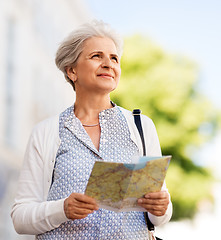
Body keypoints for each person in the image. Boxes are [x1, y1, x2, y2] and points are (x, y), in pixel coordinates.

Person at [11, 20, 172, 239]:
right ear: (72, 71)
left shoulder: (141, 126)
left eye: (114, 58)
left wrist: (162, 206)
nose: (108, 64)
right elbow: (21, 217)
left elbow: (159, 215)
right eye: (97, 56)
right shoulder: (46, 132)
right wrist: (62, 209)